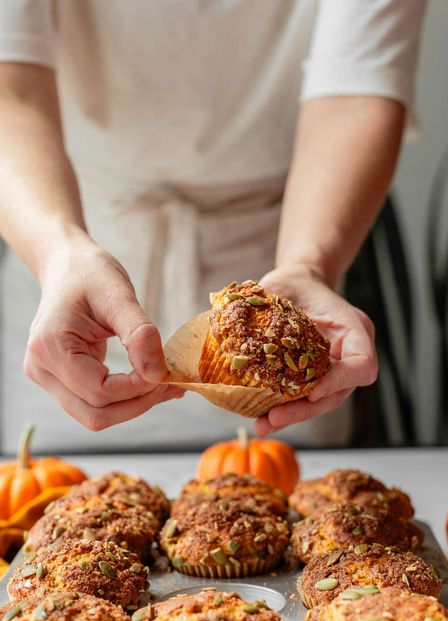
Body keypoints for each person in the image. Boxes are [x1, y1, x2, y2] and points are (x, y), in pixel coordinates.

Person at [0, 1, 426, 453]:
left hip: (281, 261)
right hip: (69, 262)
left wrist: (308, 266)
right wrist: (61, 253)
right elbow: (11, 92)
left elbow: (354, 96)